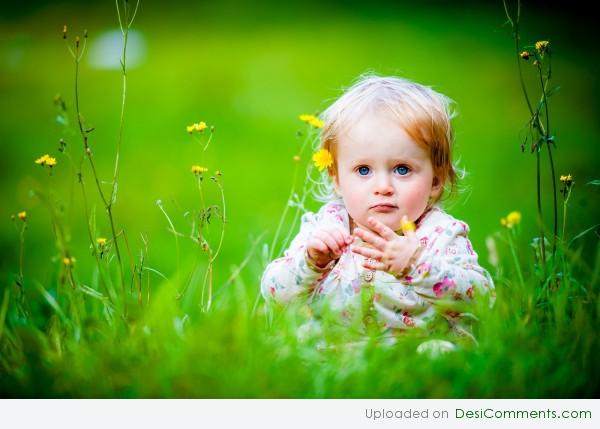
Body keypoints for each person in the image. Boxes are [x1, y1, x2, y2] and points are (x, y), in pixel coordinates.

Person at [261, 74, 494, 349]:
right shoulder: (326, 228)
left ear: (435, 180)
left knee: (437, 351)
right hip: (336, 351)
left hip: (414, 349)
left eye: (402, 169)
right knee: (287, 347)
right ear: (336, 178)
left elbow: (481, 299)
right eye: (363, 170)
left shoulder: (439, 234)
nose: (383, 186)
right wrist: (310, 262)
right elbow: (274, 293)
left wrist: (416, 264)